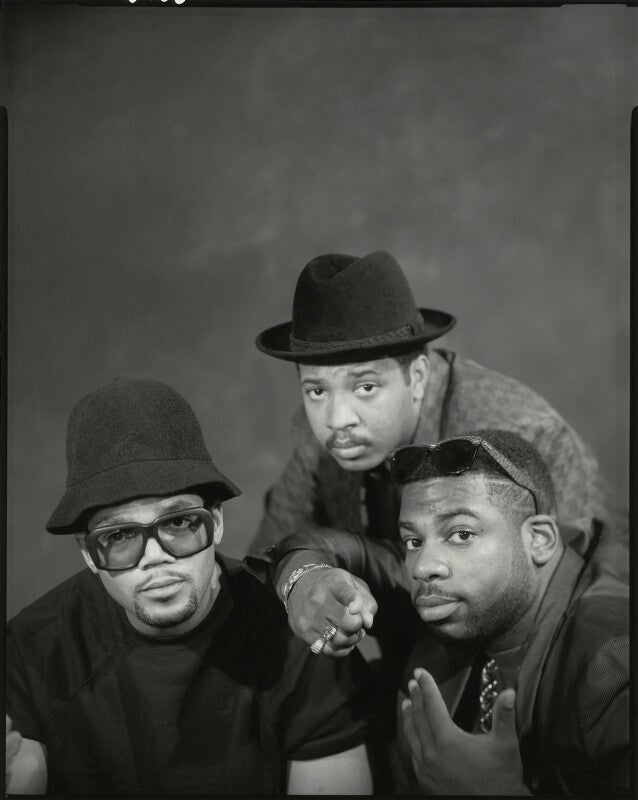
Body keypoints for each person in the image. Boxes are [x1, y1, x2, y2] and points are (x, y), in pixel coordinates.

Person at [248, 250, 627, 657]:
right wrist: (299, 578)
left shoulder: (522, 432)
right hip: (411, 658)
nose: (338, 419)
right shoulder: (319, 438)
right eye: (317, 390)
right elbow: (268, 556)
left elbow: (589, 597)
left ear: (417, 377)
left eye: (366, 387)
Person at [6, 378, 373, 796]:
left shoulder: (301, 641)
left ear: (215, 523)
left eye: (179, 522)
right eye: (120, 536)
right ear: (89, 553)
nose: (154, 556)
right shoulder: (33, 652)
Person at [391, 431, 628, 796]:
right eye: (413, 541)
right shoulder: (460, 616)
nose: (423, 567)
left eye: (461, 534)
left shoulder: (612, 663)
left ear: (539, 540)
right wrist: (305, 572)